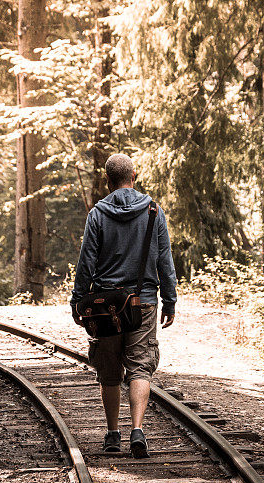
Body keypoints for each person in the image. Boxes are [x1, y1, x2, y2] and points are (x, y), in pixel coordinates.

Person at [70, 153, 177, 458]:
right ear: (135, 175)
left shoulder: (98, 214)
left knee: (109, 370)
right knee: (140, 366)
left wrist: (78, 301)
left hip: (106, 306)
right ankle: (138, 431)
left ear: (108, 180)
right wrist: (169, 300)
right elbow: (164, 260)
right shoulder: (153, 211)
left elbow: (86, 261)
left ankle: (113, 434)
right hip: (142, 302)